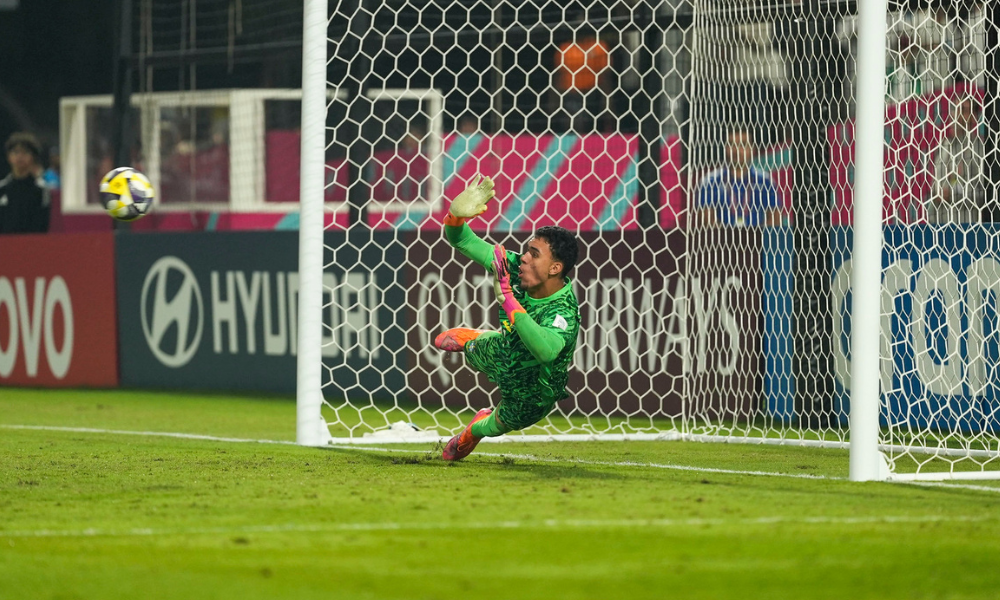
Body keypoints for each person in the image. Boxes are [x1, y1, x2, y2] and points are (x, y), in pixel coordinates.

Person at [434, 175, 582, 460]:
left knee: (492, 428)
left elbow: (546, 352)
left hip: (534, 391)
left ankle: (474, 430)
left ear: (554, 268)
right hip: (503, 350)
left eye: (534, 254)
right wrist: (455, 217)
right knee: (441, 340)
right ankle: (476, 341)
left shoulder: (563, 311)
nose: (524, 257)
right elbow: (462, 240)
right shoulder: (513, 266)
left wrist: (508, 298)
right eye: (526, 251)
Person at [694, 126, 781, 227]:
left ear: (752, 149)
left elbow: (775, 219)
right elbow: (707, 221)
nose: (736, 150)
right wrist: (729, 236)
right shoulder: (710, 182)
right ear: (725, 148)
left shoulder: (765, 182)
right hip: (720, 237)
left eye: (743, 144)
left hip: (758, 236)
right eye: (731, 144)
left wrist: (754, 236)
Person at [927, 95, 985, 224]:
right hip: (941, 225)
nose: (957, 114)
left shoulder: (979, 150)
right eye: (955, 109)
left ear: (974, 117)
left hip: (967, 225)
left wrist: (953, 195)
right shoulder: (945, 145)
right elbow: (935, 186)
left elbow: (984, 192)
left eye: (963, 110)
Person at [552, 27, 610, 133]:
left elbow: (605, 77)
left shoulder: (598, 47)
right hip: (571, 94)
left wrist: (608, 102)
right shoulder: (565, 49)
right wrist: (554, 100)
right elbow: (558, 77)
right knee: (571, 124)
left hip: (593, 95)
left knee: (590, 126)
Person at [0, 132, 51, 234]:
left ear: (33, 157)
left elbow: (42, 226)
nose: (20, 156)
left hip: (32, 243)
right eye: (15, 152)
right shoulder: (2, 188)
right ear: (9, 157)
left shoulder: (41, 190)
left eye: (25, 152)